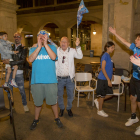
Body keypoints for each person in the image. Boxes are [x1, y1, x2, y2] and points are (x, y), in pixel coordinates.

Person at [28, 30, 63, 130]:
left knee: (53, 102)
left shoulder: (53, 47)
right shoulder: (33, 48)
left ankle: (56, 118)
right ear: (37, 37)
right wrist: (39, 47)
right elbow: (30, 60)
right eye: (40, 36)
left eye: (44, 36)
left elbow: (53, 57)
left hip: (50, 80)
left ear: (47, 37)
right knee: (37, 103)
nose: (42, 37)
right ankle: (36, 119)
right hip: (37, 80)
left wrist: (45, 44)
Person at [109, 27, 140, 136]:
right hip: (134, 78)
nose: (135, 41)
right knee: (132, 98)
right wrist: (115, 34)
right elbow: (125, 42)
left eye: (137, 39)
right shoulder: (135, 48)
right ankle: (133, 117)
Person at [55, 37, 83, 117]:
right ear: (59, 42)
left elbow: (80, 56)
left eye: (65, 42)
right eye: (62, 41)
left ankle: (69, 108)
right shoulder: (56, 51)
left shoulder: (72, 51)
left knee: (70, 95)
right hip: (59, 78)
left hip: (69, 78)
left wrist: (78, 46)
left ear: (68, 44)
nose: (63, 43)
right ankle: (61, 108)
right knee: (59, 95)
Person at [3, 32, 29, 112]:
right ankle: (12, 105)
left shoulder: (24, 48)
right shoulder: (10, 47)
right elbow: (4, 56)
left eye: (18, 36)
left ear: (21, 38)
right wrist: (5, 60)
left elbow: (22, 61)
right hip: (9, 72)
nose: (16, 38)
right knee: (9, 90)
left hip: (19, 72)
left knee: (22, 90)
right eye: (15, 36)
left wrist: (10, 62)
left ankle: (25, 105)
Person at [94, 41, 115, 117]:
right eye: (112, 47)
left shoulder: (109, 56)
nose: (113, 49)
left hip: (106, 78)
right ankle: (99, 110)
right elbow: (102, 68)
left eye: (113, 48)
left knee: (110, 94)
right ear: (107, 47)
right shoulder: (105, 55)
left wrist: (111, 74)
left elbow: (109, 68)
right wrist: (108, 80)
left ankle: (98, 100)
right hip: (103, 79)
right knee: (102, 95)